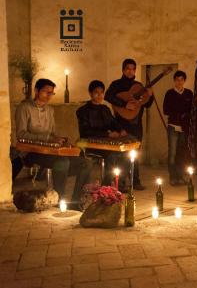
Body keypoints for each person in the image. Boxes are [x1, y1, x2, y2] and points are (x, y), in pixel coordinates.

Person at [15, 78, 92, 210]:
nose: (49, 95)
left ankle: (75, 201)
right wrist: (48, 139)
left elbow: (51, 134)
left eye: (52, 93)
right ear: (36, 91)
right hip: (31, 152)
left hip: (49, 151)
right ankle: (59, 199)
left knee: (86, 163)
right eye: (46, 92)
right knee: (62, 163)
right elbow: (21, 135)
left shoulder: (50, 110)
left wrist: (59, 139)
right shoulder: (24, 107)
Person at [104, 58, 153, 190]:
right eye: (128, 68)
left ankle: (135, 181)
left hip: (136, 124)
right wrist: (125, 104)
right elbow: (107, 96)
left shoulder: (139, 85)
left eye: (133, 69)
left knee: (135, 153)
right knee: (122, 155)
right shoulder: (116, 84)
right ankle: (121, 182)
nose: (131, 71)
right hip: (121, 123)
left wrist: (151, 95)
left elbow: (147, 104)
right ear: (123, 70)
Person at [76, 80, 128, 186]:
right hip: (90, 144)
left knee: (126, 153)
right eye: (96, 92)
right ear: (90, 93)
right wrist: (107, 134)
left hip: (105, 144)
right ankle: (106, 186)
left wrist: (121, 130)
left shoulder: (105, 109)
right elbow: (85, 131)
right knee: (112, 155)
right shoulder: (83, 111)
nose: (99, 95)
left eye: (101, 93)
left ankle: (120, 183)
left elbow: (113, 122)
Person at [162, 70, 194, 186]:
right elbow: (166, 110)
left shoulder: (189, 94)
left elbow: (192, 109)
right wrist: (178, 114)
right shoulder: (169, 93)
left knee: (182, 153)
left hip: (184, 128)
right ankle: (173, 177)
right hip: (173, 127)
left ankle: (180, 176)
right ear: (174, 81)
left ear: (184, 81)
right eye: (177, 80)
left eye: (181, 80)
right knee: (172, 153)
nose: (179, 82)